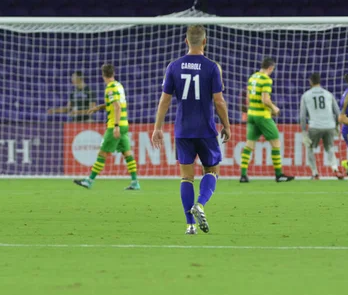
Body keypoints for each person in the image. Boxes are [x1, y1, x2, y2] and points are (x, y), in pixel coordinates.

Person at [152, 25, 231, 235]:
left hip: (183, 130)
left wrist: (157, 128)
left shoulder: (173, 66)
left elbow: (165, 100)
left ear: (186, 41)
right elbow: (219, 101)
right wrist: (227, 125)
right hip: (206, 129)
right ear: (205, 41)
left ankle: (190, 225)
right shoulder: (213, 67)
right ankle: (201, 204)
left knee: (186, 177)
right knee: (212, 171)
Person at [74, 64, 140, 191]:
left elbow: (117, 106)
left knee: (102, 153)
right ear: (113, 73)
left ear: (102, 74)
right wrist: (99, 107)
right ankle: (135, 182)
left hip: (115, 124)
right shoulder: (119, 85)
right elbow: (115, 103)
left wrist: (115, 126)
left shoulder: (110, 88)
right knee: (127, 153)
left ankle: (89, 181)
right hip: (124, 124)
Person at [240, 58, 294, 183]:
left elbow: (247, 98)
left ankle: (243, 175)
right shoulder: (266, 80)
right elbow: (265, 100)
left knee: (249, 145)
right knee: (276, 143)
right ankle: (279, 174)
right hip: (263, 116)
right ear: (270, 68)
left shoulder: (252, 77)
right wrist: (274, 108)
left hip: (251, 114)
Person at [299, 73, 344, 180]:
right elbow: (338, 113)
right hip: (330, 126)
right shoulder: (328, 94)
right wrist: (337, 126)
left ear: (310, 82)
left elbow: (302, 116)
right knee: (329, 147)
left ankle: (315, 173)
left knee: (309, 147)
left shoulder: (306, 95)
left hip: (314, 126)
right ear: (320, 81)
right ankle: (335, 169)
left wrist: (304, 132)